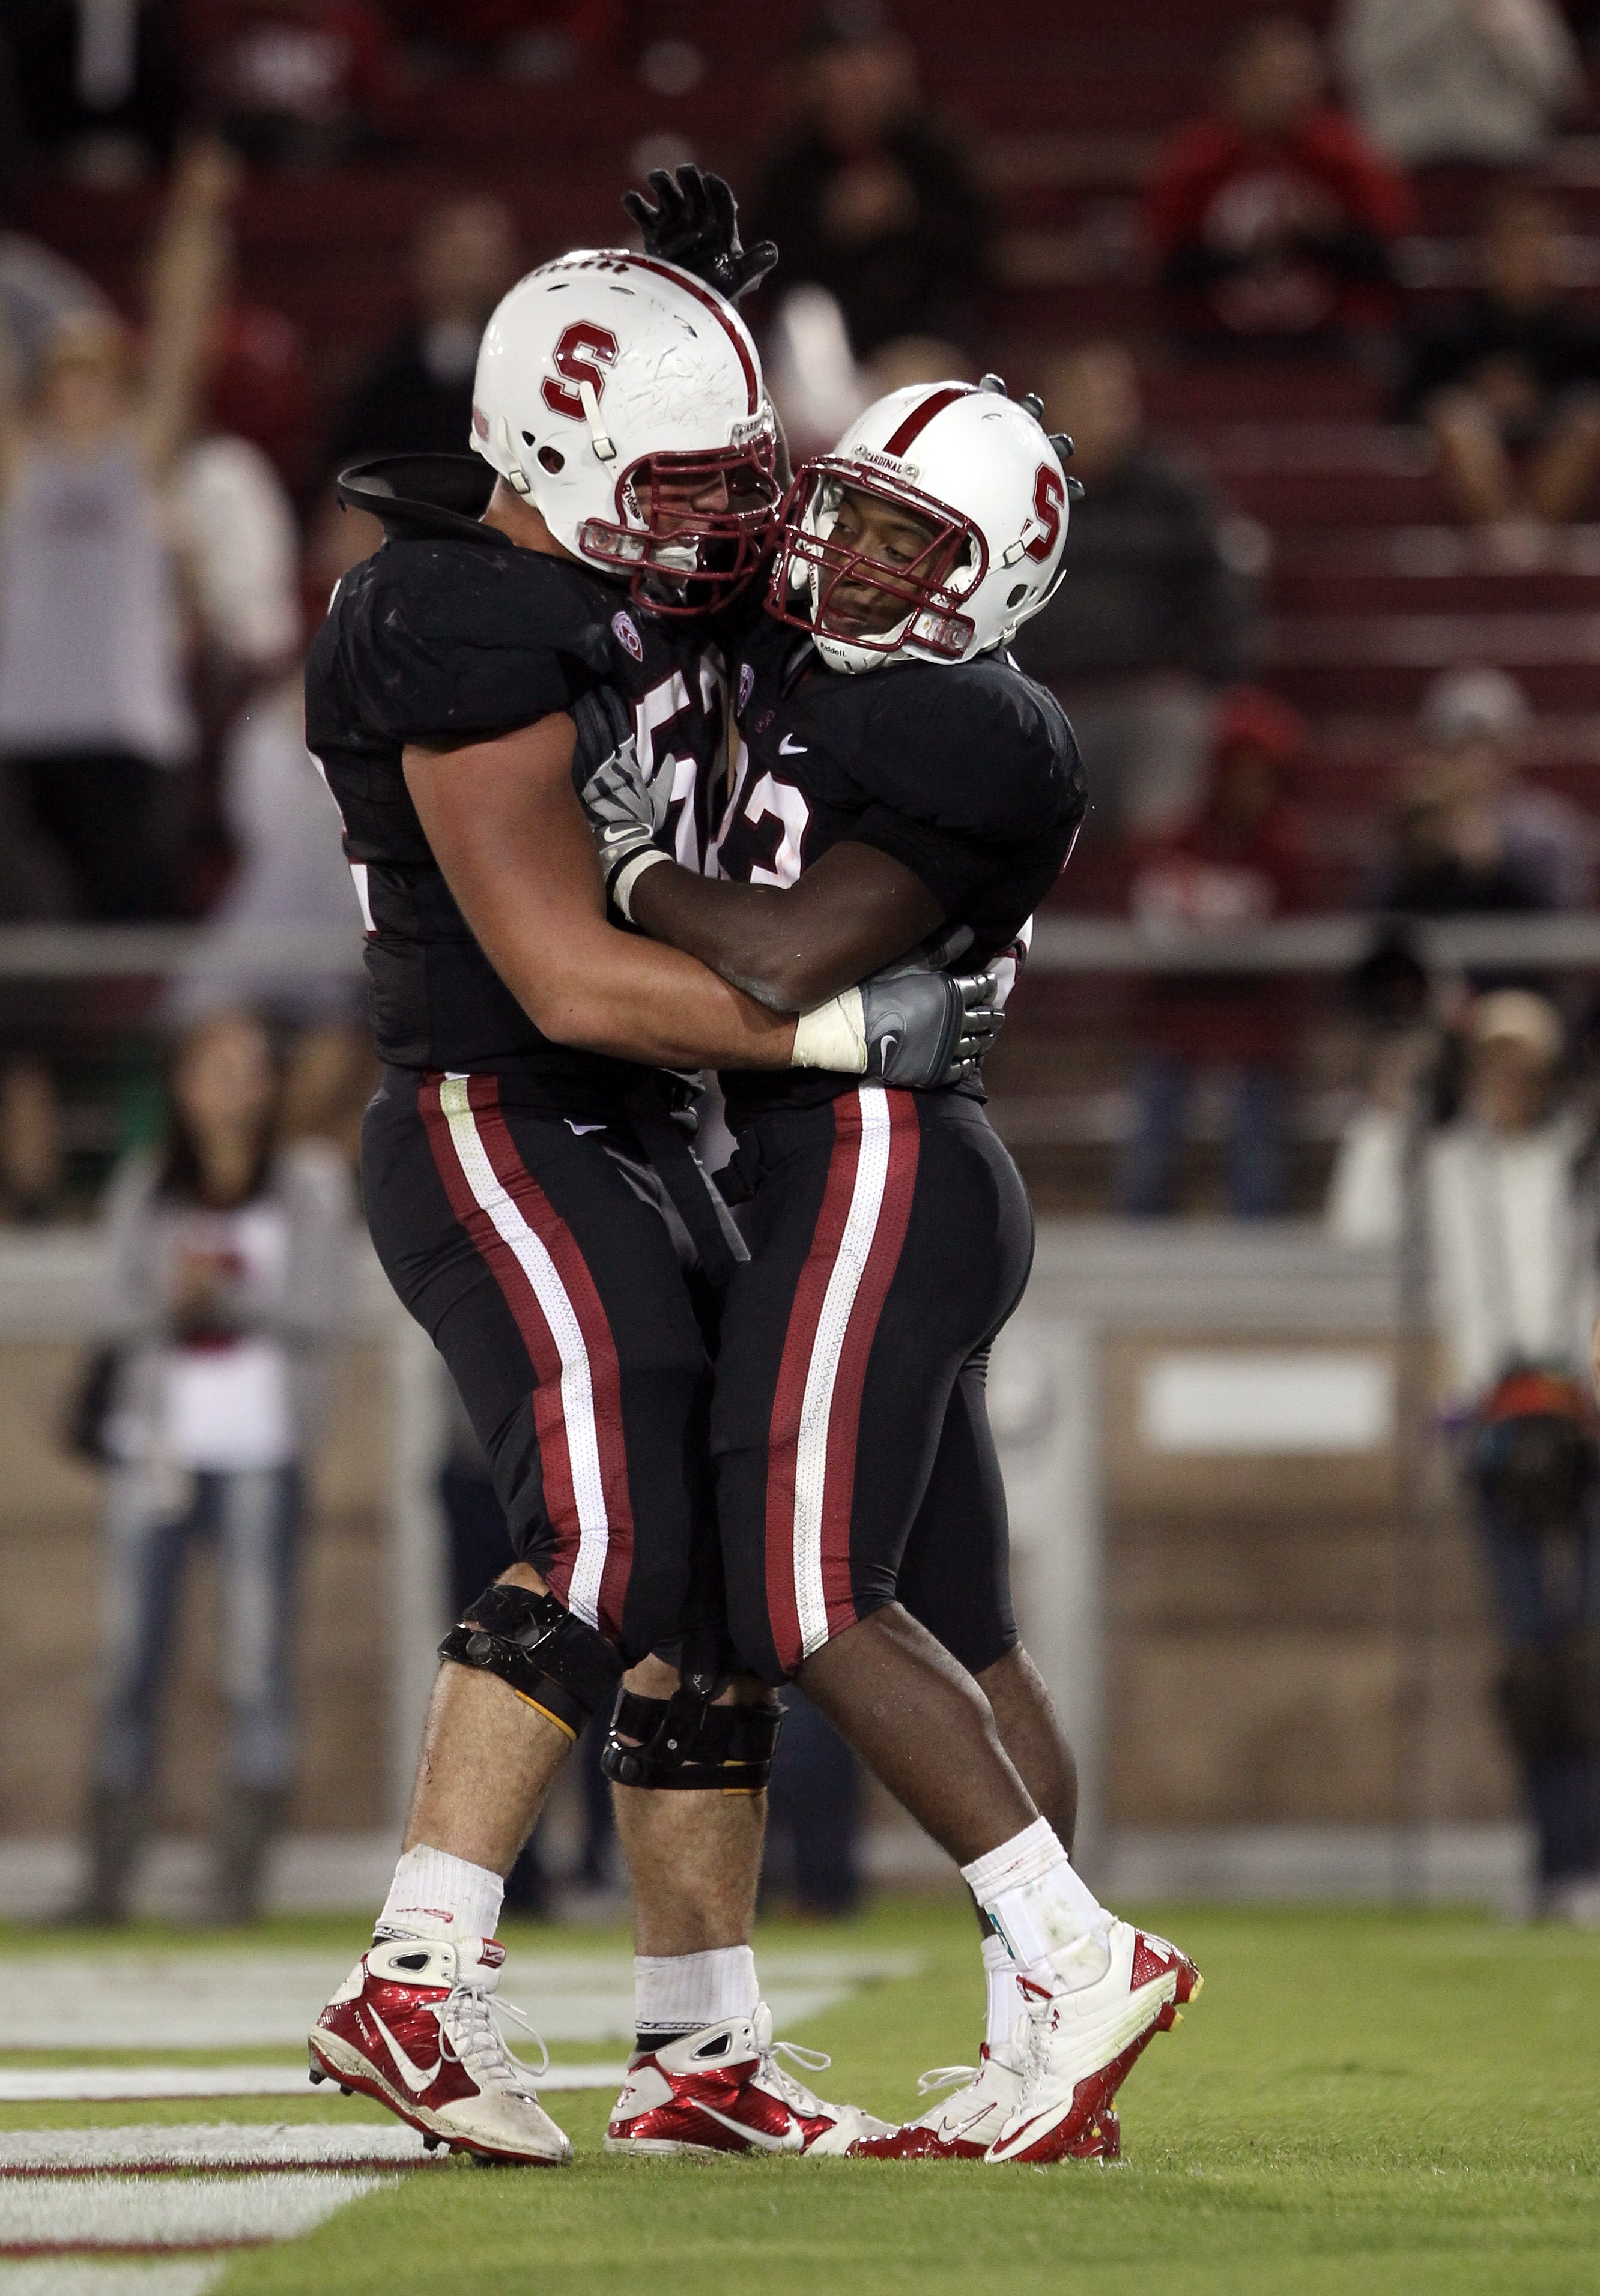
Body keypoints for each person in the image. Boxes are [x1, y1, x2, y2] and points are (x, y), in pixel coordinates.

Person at [302, 213, 998, 2165]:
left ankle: (700, 2044)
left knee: (704, 1571)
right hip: (497, 1111)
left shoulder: (598, 589)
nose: (717, 523)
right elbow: (566, 975)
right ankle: (412, 1981)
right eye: (682, 481)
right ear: (566, 455)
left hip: (631, 1124)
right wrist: (860, 1034)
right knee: (604, 1532)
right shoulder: (453, 615)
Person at [577, 372, 1200, 2162]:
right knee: (970, 1632)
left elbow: (777, 955)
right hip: (855, 1168)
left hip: (870, 1161)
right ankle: (1047, 2057)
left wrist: (625, 871)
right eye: (854, 512)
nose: (852, 558)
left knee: (798, 1596)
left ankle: (1082, 1957)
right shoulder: (819, 673)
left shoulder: (979, 721)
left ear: (997, 574)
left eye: (911, 537)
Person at [74, 1006, 354, 1923]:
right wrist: (172, 1298)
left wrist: (224, 1295)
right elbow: (112, 1314)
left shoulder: (305, 1186)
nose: (237, 1086)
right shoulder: (148, 1185)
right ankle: (108, 1879)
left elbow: (321, 1313)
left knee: (256, 1662)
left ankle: (238, 1882)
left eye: (251, 1068)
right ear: (183, 1085)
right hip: (156, 1449)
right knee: (129, 1658)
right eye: (216, 1067)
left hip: (261, 1451)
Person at [0, 142, 237, 924]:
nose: (83, 389)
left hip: (124, 735)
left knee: (130, 926)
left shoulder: (135, 465)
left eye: (99, 373)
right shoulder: (20, 466)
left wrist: (197, 215)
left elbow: (180, 336)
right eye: (68, 373)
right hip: (25, 733)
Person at [1435, 994, 1600, 1921]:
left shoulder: (1581, 1161)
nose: (1507, 1085)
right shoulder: (1450, 1164)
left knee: (1591, 1651)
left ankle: (1587, 1859)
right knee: (1533, 1658)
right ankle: (1556, 1861)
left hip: (1584, 1415)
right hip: (1494, 1423)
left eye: (1524, 1066)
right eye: (1492, 1065)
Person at [1010, 342, 1258, 839]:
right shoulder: (1013, 489)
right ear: (1049, 410)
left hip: (1147, 694)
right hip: (1035, 699)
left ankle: (1153, 895)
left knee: (1171, 734)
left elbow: (1221, 590)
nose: (1104, 416)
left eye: (1113, 401)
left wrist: (1206, 677)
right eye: (1085, 400)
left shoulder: (1171, 489)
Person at [1117, 687, 1311, 1219]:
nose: (1253, 789)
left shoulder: (1283, 853)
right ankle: (1140, 1260)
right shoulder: (1177, 840)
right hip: (1176, 1022)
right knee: (1153, 1147)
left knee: (1255, 1154)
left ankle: (1261, 1270)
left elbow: (1292, 950)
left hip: (1252, 1027)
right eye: (1244, 773)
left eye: (1265, 775)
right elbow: (1149, 930)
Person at [1145, 12, 1413, 346]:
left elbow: (1386, 261)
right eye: (1268, 77)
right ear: (1233, 79)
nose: (1285, 92)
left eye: (1295, 77)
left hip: (1333, 342)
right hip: (1216, 343)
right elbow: (1168, 270)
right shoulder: (1195, 161)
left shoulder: (1348, 156)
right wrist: (1249, 249)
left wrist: (1322, 235)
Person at [750, 4, 990, 361]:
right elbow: (763, 271)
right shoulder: (788, 162)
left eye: (867, 62)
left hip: (921, 337)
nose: (855, 80)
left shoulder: (934, 151)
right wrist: (830, 224)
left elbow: (978, 254)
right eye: (839, 64)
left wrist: (906, 213)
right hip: (819, 348)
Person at [1398, 187, 1600, 533]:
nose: (1525, 254)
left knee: (1592, 419)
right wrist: (1479, 396)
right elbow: (1406, 403)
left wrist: (1538, 401)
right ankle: (1509, 539)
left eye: (1536, 243)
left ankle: (1522, 541)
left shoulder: (1582, 335)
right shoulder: (1451, 330)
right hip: (1475, 446)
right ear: (1488, 252)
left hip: (1556, 443)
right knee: (1455, 416)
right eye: (1514, 242)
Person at [1338, 0, 1583, 171]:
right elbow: (1356, 68)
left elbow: (1555, 84)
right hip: (1407, 146)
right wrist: (1441, 18)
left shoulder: (1519, 5)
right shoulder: (1379, 6)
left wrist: (1504, 33)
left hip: (1501, 148)